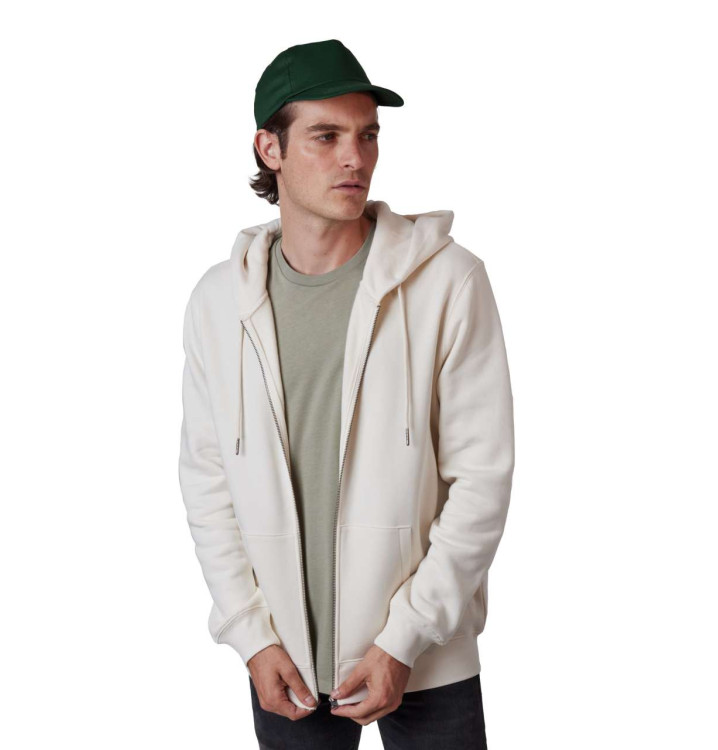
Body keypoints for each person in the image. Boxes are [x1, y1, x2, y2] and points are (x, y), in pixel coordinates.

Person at [178, 38, 515, 749]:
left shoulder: (448, 283)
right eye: (326, 137)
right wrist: (251, 636)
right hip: (287, 663)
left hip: (426, 658)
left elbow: (482, 480)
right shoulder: (217, 303)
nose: (355, 158)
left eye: (368, 136)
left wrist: (406, 636)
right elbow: (208, 484)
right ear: (269, 148)